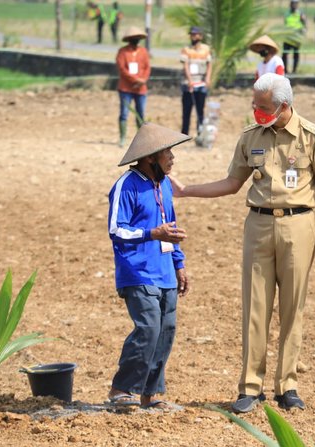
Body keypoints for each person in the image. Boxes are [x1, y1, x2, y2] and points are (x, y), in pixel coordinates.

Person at [171, 73, 315, 413]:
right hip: (258, 225)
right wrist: (187, 190)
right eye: (254, 105)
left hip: (299, 225)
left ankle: (287, 385)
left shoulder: (313, 137)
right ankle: (250, 386)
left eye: (262, 107)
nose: (256, 111)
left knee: (293, 307)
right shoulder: (250, 138)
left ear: (284, 105)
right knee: (254, 307)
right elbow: (232, 182)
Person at [106, 122, 191, 410]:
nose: (173, 157)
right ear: (150, 156)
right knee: (148, 329)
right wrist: (151, 233)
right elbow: (117, 230)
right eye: (168, 151)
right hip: (137, 272)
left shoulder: (164, 185)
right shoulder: (125, 186)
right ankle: (122, 389)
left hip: (165, 271)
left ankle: (151, 394)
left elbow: (172, 227)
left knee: (166, 331)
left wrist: (179, 264)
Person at [116, 26, 151, 147]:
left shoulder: (143, 52)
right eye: (133, 38)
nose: (135, 40)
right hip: (126, 88)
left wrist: (143, 80)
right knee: (124, 113)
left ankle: (141, 139)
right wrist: (135, 79)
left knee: (140, 113)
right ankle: (122, 137)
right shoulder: (123, 52)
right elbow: (122, 69)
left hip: (141, 88)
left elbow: (147, 67)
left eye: (137, 38)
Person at [180, 26, 212, 137]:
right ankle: (184, 135)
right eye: (192, 35)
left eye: (195, 34)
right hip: (189, 84)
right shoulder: (186, 49)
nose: (193, 37)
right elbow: (185, 66)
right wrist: (189, 80)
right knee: (186, 111)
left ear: (200, 36)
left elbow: (209, 65)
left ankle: (200, 134)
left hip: (201, 83)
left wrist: (208, 78)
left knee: (200, 111)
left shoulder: (206, 49)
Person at [282, 0, 307, 74]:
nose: (294, 5)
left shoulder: (300, 14)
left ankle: (294, 70)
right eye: (293, 3)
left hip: (296, 37)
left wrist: (303, 32)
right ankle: (285, 70)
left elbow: (305, 24)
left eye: (296, 4)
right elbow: (286, 23)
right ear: (290, 4)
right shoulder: (287, 13)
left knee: (296, 53)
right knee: (285, 53)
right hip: (288, 37)